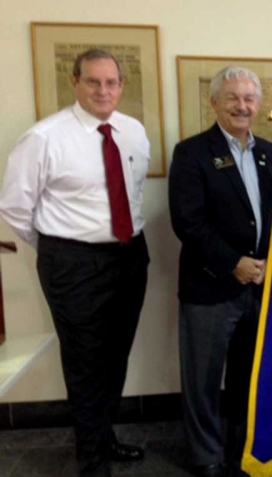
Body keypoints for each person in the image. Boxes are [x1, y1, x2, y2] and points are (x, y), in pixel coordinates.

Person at [0, 49, 150, 476]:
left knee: (116, 356)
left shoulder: (134, 132)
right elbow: (14, 209)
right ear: (75, 83)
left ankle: (104, 438)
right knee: (86, 361)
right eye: (93, 82)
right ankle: (92, 462)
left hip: (129, 255)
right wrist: (59, 250)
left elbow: (132, 193)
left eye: (111, 82)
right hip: (73, 262)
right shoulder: (44, 138)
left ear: (122, 85)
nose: (103, 90)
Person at [169, 66, 272, 477]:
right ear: (214, 102)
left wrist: (268, 262)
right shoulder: (191, 153)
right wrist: (235, 263)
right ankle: (205, 455)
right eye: (232, 97)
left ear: (259, 104)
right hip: (210, 286)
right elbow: (188, 223)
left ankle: (241, 448)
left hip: (261, 287)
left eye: (249, 98)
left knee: (249, 376)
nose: (242, 105)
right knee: (202, 379)